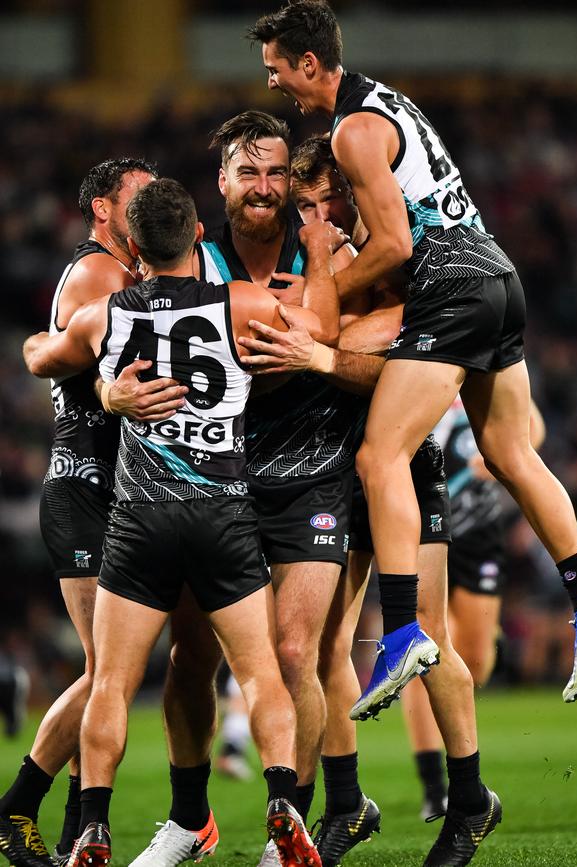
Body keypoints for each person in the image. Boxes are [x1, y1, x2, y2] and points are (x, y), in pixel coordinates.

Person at [249, 3, 577, 861]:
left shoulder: (353, 131)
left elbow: (392, 242)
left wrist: (322, 305)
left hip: (452, 283)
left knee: (380, 451)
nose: (273, 80)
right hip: (497, 271)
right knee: (509, 450)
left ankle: (400, 636)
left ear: (311, 62)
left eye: (278, 66)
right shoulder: (390, 104)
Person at [22, 178, 342, 867]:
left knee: (109, 678)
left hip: (140, 520)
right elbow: (321, 332)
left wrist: (108, 388)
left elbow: (37, 356)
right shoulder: (246, 303)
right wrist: (317, 258)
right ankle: (283, 801)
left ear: (134, 248)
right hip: (224, 512)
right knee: (260, 674)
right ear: (199, 235)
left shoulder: (104, 316)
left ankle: (95, 826)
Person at [101, 112, 378, 867]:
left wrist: (327, 351)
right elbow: (112, 349)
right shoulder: (193, 258)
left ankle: (288, 830)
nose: (263, 186)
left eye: (275, 172)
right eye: (246, 172)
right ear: (219, 182)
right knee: (190, 654)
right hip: (219, 483)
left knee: (296, 651)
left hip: (314, 474)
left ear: (293, 180)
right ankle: (189, 820)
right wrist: (112, 395)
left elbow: (397, 328)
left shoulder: (330, 247)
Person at [240, 134, 479, 867]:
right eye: (302, 203)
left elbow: (399, 358)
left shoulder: (391, 254)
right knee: (318, 646)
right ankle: (344, 805)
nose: (317, 215)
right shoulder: (310, 267)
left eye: (325, 200)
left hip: (407, 462)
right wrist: (324, 329)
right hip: (336, 471)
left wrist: (320, 338)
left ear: (349, 193)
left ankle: (469, 799)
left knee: (426, 633)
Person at [0, 157, 157, 867]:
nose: (151, 206)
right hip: (84, 481)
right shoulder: (101, 275)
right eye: (139, 197)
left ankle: (73, 836)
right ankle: (17, 811)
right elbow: (84, 362)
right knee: (106, 674)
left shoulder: (127, 273)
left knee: (112, 674)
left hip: (110, 486)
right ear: (102, 207)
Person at [400, 398, 546, 820]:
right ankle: (434, 787)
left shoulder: (479, 377)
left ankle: (486, 639)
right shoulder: (409, 378)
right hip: (421, 535)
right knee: (424, 654)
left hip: (479, 534)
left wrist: (499, 456)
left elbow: (532, 426)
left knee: (475, 665)